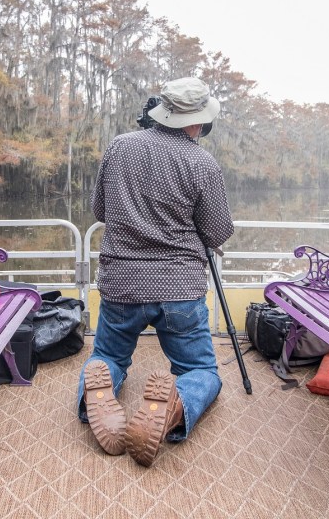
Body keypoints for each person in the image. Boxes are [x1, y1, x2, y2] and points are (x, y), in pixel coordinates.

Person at [76, 76, 234, 467]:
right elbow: (217, 231)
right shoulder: (202, 162)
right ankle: (175, 407)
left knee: (108, 356)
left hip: (122, 282)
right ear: (197, 122)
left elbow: (101, 211)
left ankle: (95, 395)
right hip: (179, 286)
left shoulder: (120, 146)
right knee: (199, 368)